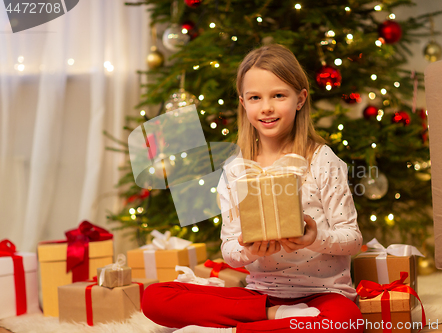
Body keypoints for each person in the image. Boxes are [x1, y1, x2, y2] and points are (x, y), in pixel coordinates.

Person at [142, 44, 364, 333]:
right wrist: (249, 250)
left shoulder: (322, 160)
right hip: (260, 297)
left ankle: (239, 330)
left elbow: (353, 239)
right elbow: (230, 250)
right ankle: (275, 317)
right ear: (243, 103)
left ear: (300, 99)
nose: (267, 107)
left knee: (347, 322)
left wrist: (314, 237)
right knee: (154, 297)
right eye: (255, 97)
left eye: (278, 95)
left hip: (323, 296)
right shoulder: (235, 169)